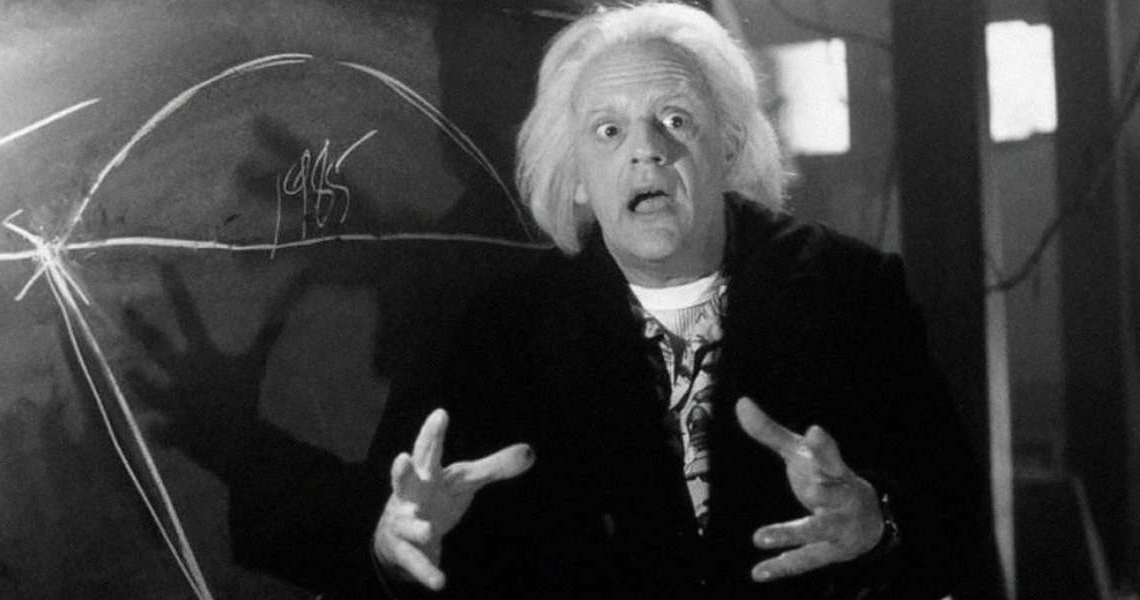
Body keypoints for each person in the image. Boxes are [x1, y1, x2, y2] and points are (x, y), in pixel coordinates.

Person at [363, 2, 983, 599]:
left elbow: (956, 528)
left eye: (676, 119)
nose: (647, 148)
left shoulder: (850, 290)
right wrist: (397, 552)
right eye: (609, 130)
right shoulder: (499, 329)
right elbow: (400, 546)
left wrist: (876, 525)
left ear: (729, 146)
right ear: (576, 177)